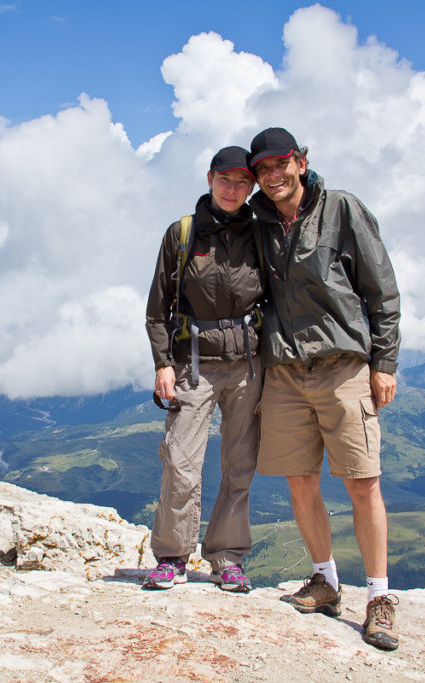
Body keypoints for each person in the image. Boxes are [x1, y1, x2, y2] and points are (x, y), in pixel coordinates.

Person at [247, 127, 402, 650]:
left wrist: (385, 363)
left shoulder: (341, 209)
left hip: (342, 367)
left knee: (362, 481)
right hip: (286, 372)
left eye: (280, 164)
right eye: (262, 169)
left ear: (301, 161)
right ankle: (327, 582)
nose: (273, 176)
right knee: (299, 479)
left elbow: (381, 289)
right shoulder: (259, 222)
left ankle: (379, 599)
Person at [142, 146, 264, 593]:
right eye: (225, 180)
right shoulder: (182, 234)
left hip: (249, 365)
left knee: (240, 462)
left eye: (242, 183)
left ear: (251, 188)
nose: (233, 190)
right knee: (180, 459)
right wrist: (162, 364)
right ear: (210, 178)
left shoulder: (260, 234)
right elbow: (157, 310)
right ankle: (172, 556)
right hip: (193, 363)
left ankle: (227, 557)